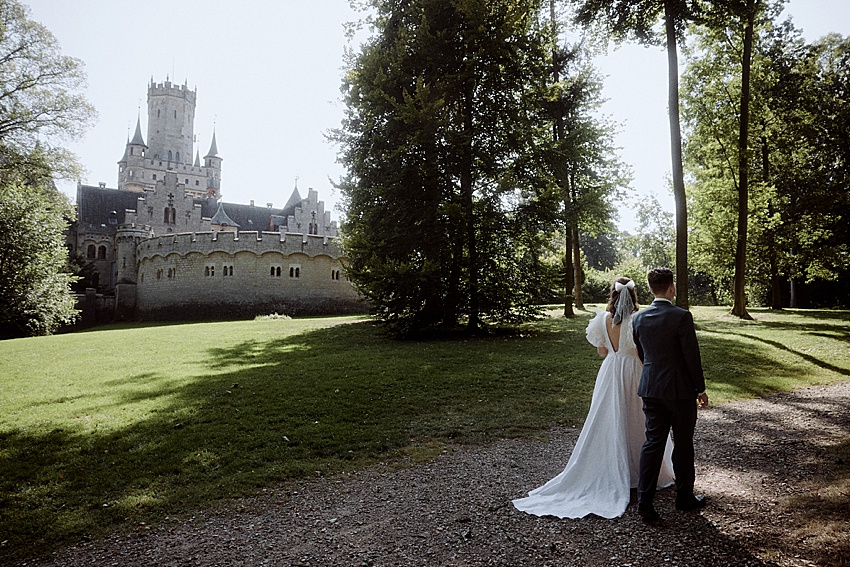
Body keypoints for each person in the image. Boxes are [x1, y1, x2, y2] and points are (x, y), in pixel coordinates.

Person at [512, 277, 674, 519]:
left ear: (613, 296)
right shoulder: (638, 319)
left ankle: (612, 468)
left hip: (610, 372)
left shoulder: (602, 320)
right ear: (634, 296)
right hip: (633, 372)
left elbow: (602, 351)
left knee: (609, 417)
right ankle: (639, 472)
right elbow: (642, 354)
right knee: (638, 419)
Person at [632, 267, 709, 522]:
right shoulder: (681, 316)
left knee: (653, 443)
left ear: (650, 288)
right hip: (679, 391)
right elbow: (691, 356)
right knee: (683, 443)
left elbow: (643, 354)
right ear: (671, 288)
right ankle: (684, 497)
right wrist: (700, 388)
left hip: (651, 388)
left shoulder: (639, 318)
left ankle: (644, 502)